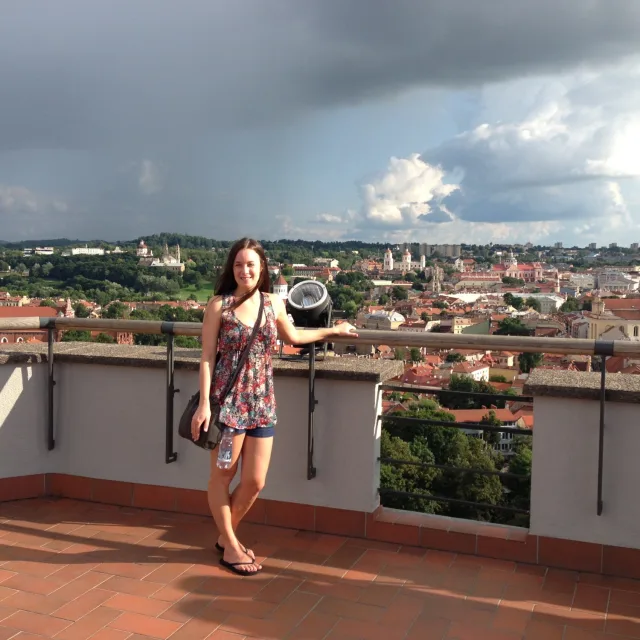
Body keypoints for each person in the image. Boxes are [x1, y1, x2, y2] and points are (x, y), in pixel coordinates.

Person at [191, 237, 358, 576]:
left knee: (255, 481)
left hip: (263, 402)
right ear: (231, 269)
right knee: (222, 477)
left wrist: (334, 330)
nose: (244, 270)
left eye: (251, 264)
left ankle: (226, 536)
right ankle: (231, 547)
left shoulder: (273, 304)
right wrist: (204, 405)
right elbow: (207, 358)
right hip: (228, 405)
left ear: (262, 267)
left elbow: (293, 338)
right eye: (238, 264)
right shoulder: (218, 306)